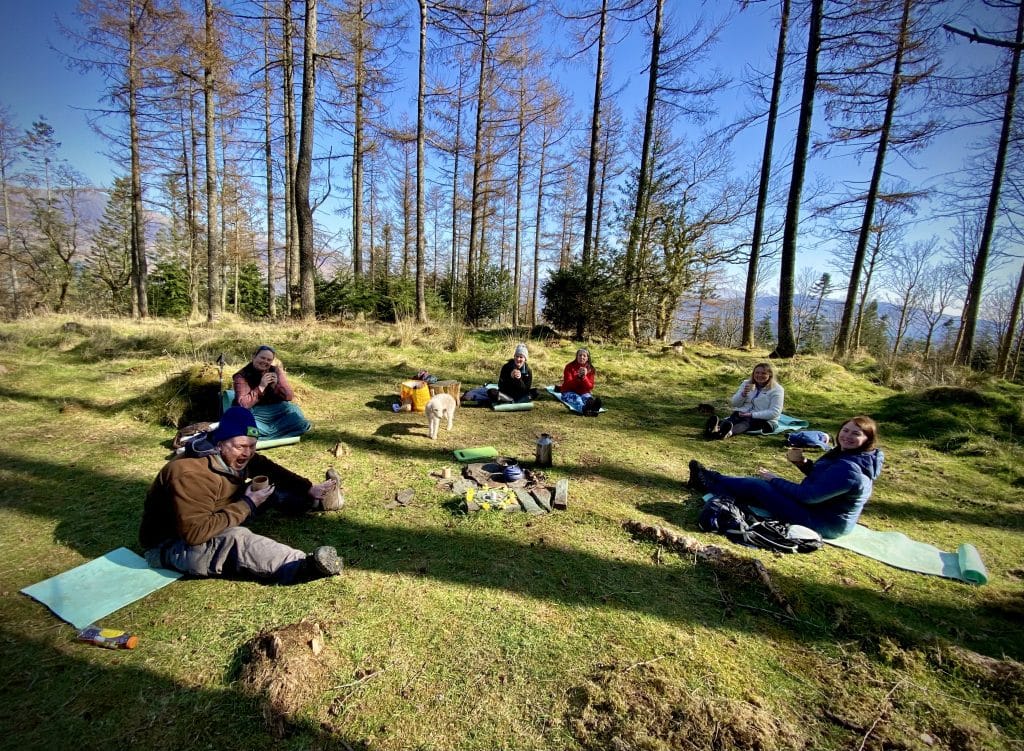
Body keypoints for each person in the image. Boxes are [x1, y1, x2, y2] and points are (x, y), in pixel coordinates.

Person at [140, 407, 345, 584]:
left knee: (269, 488)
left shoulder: (235, 454)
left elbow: (270, 469)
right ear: (220, 444)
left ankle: (319, 502)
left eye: (252, 446)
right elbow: (195, 533)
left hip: (214, 513)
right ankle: (303, 566)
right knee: (236, 539)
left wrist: (308, 488)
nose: (247, 453)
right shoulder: (190, 474)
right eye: (241, 447)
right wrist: (247, 504)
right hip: (171, 543)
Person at [688, 415, 884, 539]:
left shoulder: (850, 468)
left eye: (856, 434)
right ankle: (710, 479)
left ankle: (709, 479)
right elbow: (825, 482)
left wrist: (773, 479)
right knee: (760, 488)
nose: (847, 436)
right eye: (845, 430)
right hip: (817, 509)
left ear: (867, 440)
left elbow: (808, 495)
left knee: (760, 487)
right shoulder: (847, 455)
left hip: (822, 522)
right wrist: (803, 463)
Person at [232, 345, 311, 441]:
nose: (265, 362)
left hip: (275, 410)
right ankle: (283, 431)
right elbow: (243, 404)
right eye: (262, 358)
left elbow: (289, 397)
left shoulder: (275, 371)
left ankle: (263, 435)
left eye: (269, 360)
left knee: (294, 411)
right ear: (254, 357)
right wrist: (261, 386)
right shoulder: (241, 376)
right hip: (254, 413)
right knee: (246, 426)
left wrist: (276, 386)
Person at [705, 362, 784, 439]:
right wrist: (743, 394)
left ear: (770, 375)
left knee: (747, 422)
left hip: (764, 420)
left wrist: (751, 415)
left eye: (763, 373)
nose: (759, 375)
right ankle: (714, 429)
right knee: (732, 419)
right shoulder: (746, 383)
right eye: (757, 373)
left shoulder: (777, 389)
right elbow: (735, 403)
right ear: (753, 374)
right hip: (742, 414)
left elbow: (775, 412)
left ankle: (727, 433)